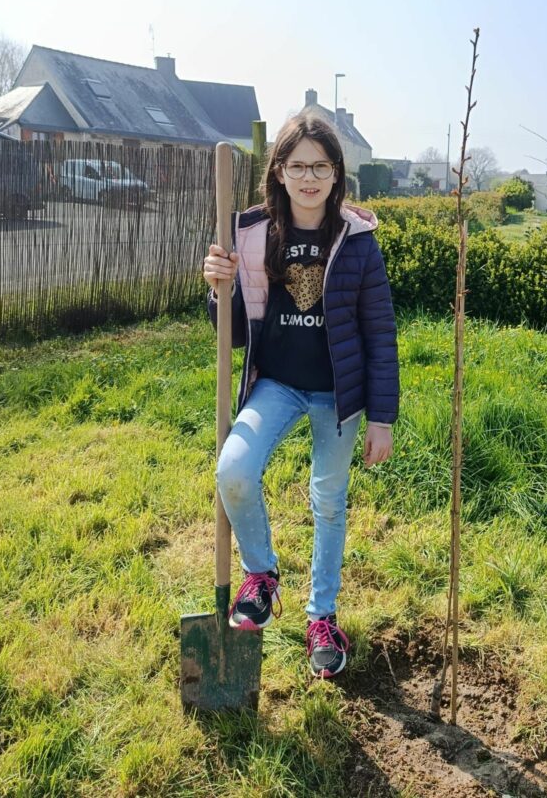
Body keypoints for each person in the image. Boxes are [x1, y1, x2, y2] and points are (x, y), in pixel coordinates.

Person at [202, 114, 399, 678]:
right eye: (298, 166)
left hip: (339, 394)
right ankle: (262, 576)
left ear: (336, 174)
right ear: (280, 172)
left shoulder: (357, 242)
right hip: (277, 384)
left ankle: (322, 618)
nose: (309, 177)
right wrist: (218, 290)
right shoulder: (254, 234)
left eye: (320, 166)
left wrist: (382, 418)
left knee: (328, 500)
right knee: (234, 470)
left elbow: (380, 333)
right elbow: (234, 334)